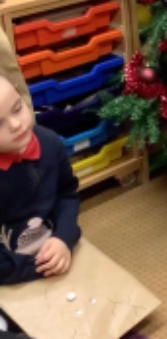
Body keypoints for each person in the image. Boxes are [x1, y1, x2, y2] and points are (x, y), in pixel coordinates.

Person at [0, 71, 81, 335]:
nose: (16, 125)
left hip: (49, 247)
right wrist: (37, 267)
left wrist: (64, 238)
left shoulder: (49, 142)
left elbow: (67, 194)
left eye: (17, 108)